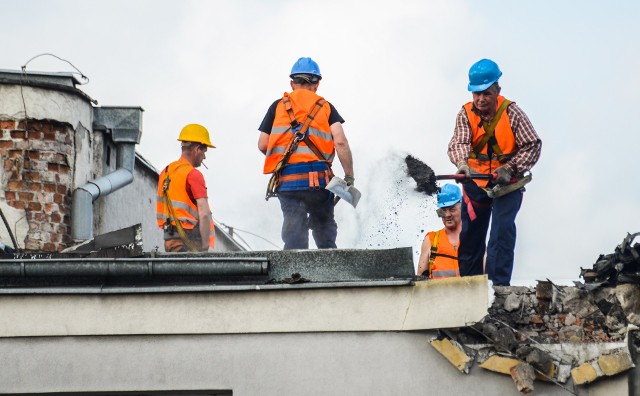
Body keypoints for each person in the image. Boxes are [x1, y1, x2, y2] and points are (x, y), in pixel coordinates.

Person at [447, 59, 542, 286]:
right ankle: (469, 287)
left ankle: (497, 289)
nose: (480, 99)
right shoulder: (465, 114)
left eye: (486, 93)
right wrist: (462, 164)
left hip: (508, 184)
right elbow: (458, 143)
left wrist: (510, 169)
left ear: (497, 90)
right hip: (475, 182)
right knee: (470, 236)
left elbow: (533, 145)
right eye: (476, 93)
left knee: (501, 233)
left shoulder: (513, 113)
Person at [258, 57, 354, 249]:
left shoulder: (277, 106)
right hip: (320, 181)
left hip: (288, 182)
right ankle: (330, 270)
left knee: (294, 233)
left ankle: (295, 270)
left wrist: (285, 158)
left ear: (292, 83)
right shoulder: (325, 107)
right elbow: (341, 142)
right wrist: (349, 177)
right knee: (324, 228)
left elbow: (263, 144)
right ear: (316, 84)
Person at [156, 124, 216, 252]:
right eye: (204, 152)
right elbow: (204, 213)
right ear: (197, 149)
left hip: (170, 241)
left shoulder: (166, 172)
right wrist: (205, 247)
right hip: (189, 242)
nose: (204, 157)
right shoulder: (193, 174)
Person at [417, 184, 462, 278]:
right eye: (443, 210)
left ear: (462, 209)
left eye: (452, 209)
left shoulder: (473, 239)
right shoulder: (431, 240)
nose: (447, 215)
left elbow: (486, 278)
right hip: (438, 292)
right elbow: (420, 280)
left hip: (469, 292)